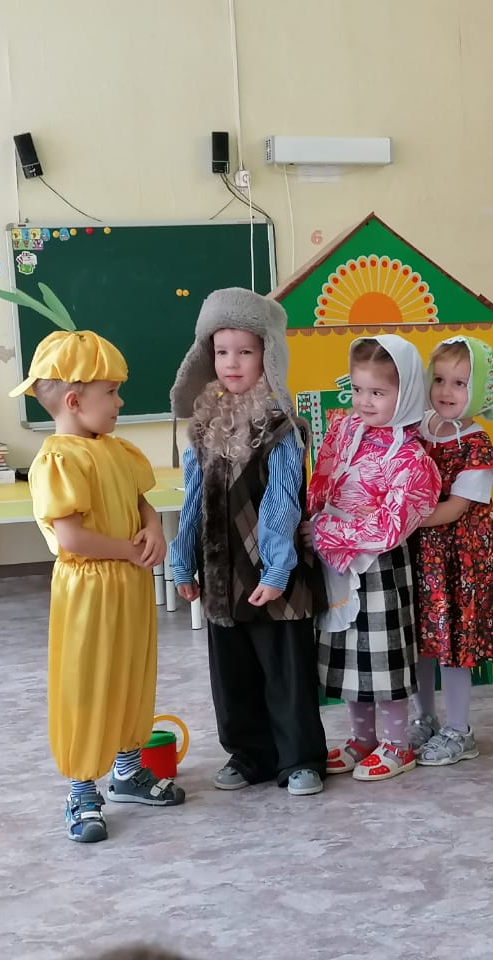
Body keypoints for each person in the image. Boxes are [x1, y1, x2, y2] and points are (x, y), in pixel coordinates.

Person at [13, 319, 184, 843]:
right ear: (73, 400)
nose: (120, 402)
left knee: (131, 674)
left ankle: (127, 771)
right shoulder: (58, 459)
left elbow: (139, 501)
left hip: (128, 585)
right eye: (111, 392)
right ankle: (82, 788)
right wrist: (132, 550)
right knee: (86, 684)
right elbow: (71, 537)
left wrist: (153, 527)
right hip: (88, 590)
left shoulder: (116, 450)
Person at [168, 288, 328, 798]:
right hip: (222, 570)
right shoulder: (203, 428)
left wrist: (277, 569)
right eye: (222, 352)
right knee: (232, 671)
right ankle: (248, 753)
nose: (232, 363)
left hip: (272, 567)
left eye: (245, 351)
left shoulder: (282, 426)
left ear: (267, 355)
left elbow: (283, 503)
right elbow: (193, 498)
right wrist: (182, 558)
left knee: (284, 667)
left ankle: (299, 757)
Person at [309, 335, 442, 782]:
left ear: (406, 393)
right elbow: (322, 478)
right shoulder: (345, 429)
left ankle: (397, 744)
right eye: (358, 389)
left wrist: (325, 531)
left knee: (383, 657)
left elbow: (389, 528)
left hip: (379, 566)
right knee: (350, 655)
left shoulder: (411, 456)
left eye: (378, 392)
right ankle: (362, 738)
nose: (365, 401)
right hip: (336, 563)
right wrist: (313, 519)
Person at [407, 336, 493, 765]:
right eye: (439, 379)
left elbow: (455, 508)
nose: (446, 391)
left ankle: (459, 729)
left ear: (482, 392)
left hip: (458, 562)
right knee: (421, 640)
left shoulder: (475, 444)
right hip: (421, 555)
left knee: (453, 642)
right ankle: (424, 718)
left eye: (460, 383)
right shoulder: (420, 427)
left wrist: (401, 519)